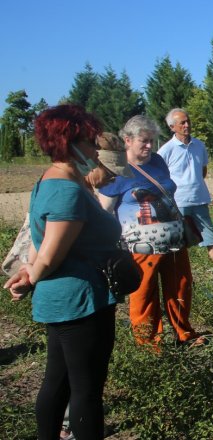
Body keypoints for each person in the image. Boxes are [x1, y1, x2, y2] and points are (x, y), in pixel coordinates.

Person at [4, 105, 129, 440]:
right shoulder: (67, 191)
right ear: (70, 143)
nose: (95, 149)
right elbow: (49, 254)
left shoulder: (50, 181)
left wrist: (29, 271)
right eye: (89, 141)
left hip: (69, 302)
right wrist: (30, 275)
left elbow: (38, 242)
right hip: (80, 302)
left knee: (57, 381)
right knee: (86, 391)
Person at [98, 115, 203, 346]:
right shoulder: (115, 170)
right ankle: (149, 344)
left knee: (181, 287)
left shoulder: (157, 161)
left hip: (175, 239)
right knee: (144, 294)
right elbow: (104, 211)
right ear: (127, 140)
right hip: (141, 246)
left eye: (152, 141)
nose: (149, 146)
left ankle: (183, 333)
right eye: (143, 141)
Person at [158, 108, 213, 270]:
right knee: (178, 244)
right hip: (178, 202)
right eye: (182, 123)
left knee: (211, 240)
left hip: (199, 199)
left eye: (188, 121)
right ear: (172, 127)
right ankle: (181, 279)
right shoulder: (166, 150)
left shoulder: (199, 145)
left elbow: (202, 171)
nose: (187, 125)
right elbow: (160, 176)